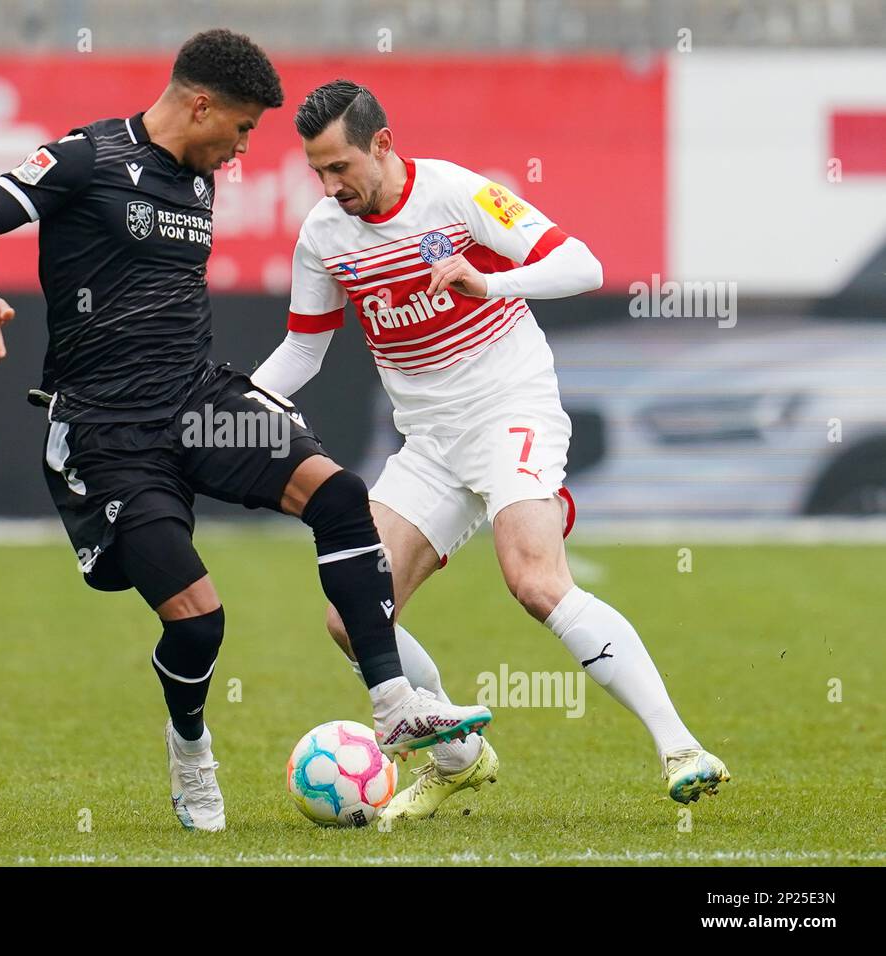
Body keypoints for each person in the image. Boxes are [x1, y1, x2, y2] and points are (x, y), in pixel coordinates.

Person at [0, 36, 491, 832]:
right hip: (109, 432)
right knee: (199, 623)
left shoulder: (197, 179)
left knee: (340, 497)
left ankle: (394, 704)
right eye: (239, 129)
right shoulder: (84, 159)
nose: (241, 150)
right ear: (200, 104)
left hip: (198, 402)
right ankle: (191, 751)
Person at [252, 79, 729, 822]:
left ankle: (680, 748)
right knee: (352, 618)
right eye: (318, 170)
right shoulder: (323, 234)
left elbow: (583, 265)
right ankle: (458, 758)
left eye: (340, 166)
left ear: (382, 144)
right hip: (429, 444)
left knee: (534, 580)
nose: (329, 184)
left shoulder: (454, 195)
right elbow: (303, 350)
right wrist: (234, 407)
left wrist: (494, 280)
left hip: (511, 407)